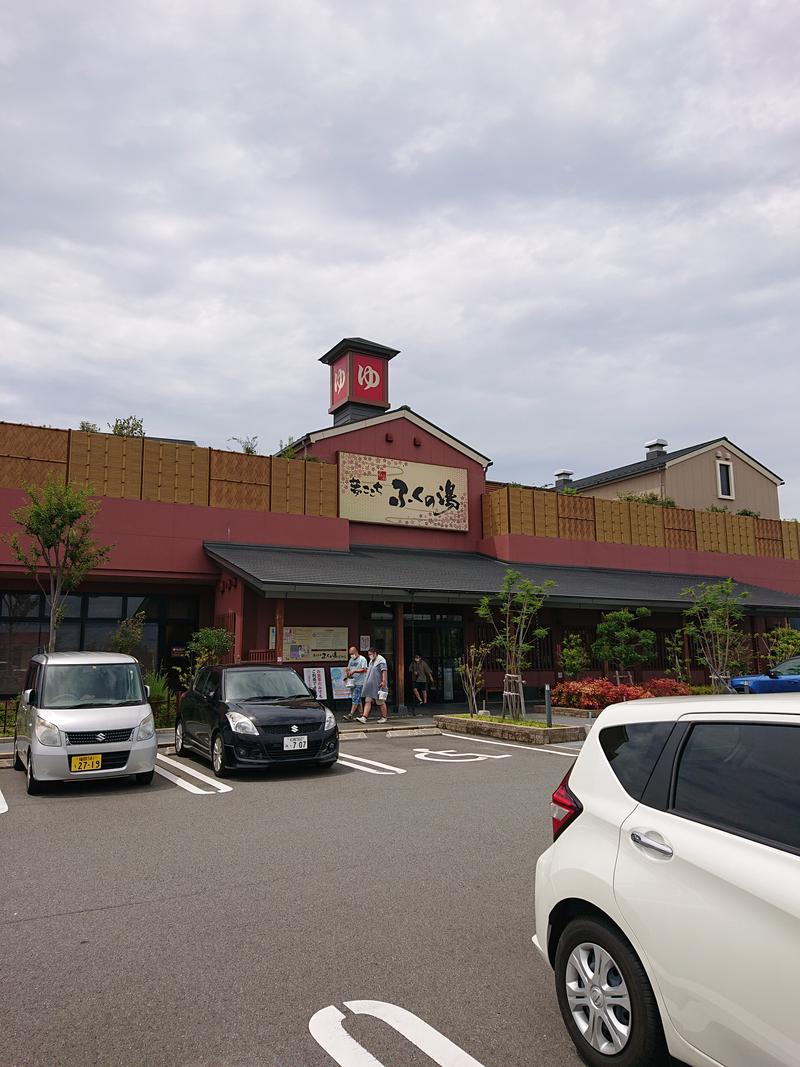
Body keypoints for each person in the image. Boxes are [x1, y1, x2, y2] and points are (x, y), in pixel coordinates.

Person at [356, 646, 388, 724]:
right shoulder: (371, 661)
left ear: (375, 653)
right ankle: (364, 717)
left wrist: (383, 681)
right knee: (368, 701)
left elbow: (384, 671)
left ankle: (384, 717)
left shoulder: (381, 660)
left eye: (370, 654)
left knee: (380, 702)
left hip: (378, 685)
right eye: (368, 654)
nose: (369, 655)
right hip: (370, 686)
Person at [342, 645, 367, 721]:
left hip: (360, 682)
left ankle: (351, 714)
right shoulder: (351, 660)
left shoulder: (362, 659)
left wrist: (354, 671)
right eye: (350, 654)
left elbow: (364, 669)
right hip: (352, 682)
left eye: (352, 653)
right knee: (357, 698)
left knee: (355, 698)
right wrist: (347, 671)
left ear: (356, 652)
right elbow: (349, 668)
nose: (351, 655)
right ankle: (361, 714)